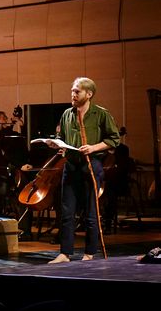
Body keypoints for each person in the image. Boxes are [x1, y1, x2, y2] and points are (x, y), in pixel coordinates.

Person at [48, 77, 120, 263]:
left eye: (77, 91)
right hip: (71, 165)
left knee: (91, 212)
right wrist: (57, 144)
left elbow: (114, 139)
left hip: (91, 165)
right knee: (67, 211)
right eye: (72, 90)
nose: (73, 94)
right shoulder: (67, 114)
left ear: (89, 94)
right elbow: (61, 136)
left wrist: (93, 148)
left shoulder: (100, 114)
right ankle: (65, 253)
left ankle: (89, 253)